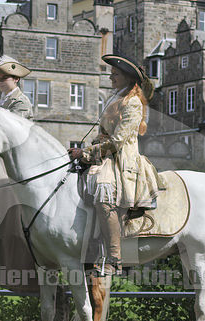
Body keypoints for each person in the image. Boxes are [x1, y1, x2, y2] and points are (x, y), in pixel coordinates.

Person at [68, 54, 159, 275]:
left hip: (120, 159)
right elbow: (103, 133)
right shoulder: (113, 98)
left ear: (127, 78)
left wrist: (87, 153)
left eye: (115, 74)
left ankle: (115, 258)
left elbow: (118, 141)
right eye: (112, 73)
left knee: (103, 191)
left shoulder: (133, 103)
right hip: (104, 153)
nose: (111, 77)